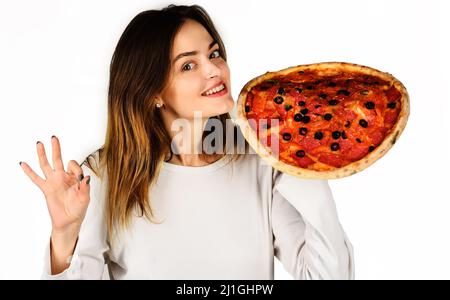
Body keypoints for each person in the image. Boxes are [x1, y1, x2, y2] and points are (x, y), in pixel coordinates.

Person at [19, 4, 354, 280]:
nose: (214, 70)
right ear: (153, 93)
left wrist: (305, 160)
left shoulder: (259, 160)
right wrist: (65, 232)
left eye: (215, 53)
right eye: (189, 65)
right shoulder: (105, 174)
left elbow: (329, 277)